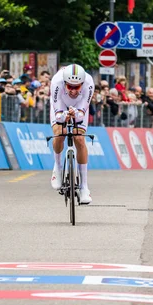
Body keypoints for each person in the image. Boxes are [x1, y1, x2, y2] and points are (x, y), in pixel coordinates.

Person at [49, 64, 94, 204]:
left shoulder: (89, 83)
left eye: (77, 87)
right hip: (60, 105)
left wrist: (76, 114)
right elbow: (58, 116)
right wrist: (64, 116)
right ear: (64, 83)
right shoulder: (56, 82)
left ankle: (84, 187)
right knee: (60, 133)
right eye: (70, 87)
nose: (74, 91)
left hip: (79, 106)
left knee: (79, 139)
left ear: (82, 83)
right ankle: (57, 166)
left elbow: (82, 113)